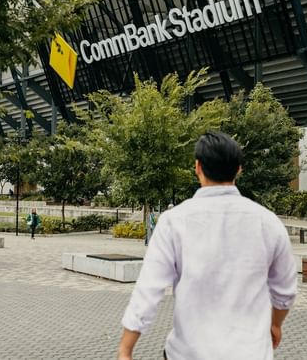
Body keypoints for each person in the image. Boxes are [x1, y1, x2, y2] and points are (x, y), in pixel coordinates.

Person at [117, 131, 297, 360]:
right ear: (239, 169)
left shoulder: (174, 221)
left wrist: (126, 349)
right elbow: (285, 292)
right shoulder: (268, 222)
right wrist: (275, 324)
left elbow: (149, 289)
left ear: (198, 167)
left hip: (188, 353)